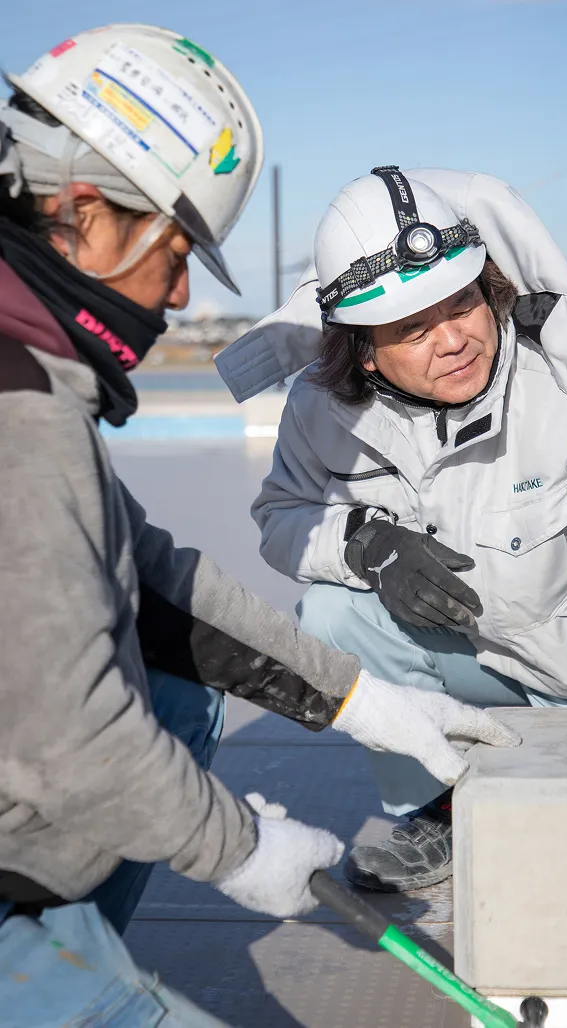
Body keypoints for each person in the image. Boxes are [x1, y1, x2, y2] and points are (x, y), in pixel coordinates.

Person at [0, 36, 514, 1025]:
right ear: (79, 215)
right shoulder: (20, 420)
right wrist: (236, 844)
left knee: (177, 699)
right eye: (177, 252)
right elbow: (66, 741)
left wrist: (361, 699)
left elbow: (150, 584)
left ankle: (62, 931)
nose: (183, 293)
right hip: (33, 765)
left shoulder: (31, 381)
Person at [238, 166, 567, 894]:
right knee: (329, 612)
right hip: (486, 659)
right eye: (413, 327)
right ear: (362, 349)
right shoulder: (321, 409)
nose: (454, 339)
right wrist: (366, 545)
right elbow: (282, 517)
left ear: (489, 290)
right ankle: (440, 806)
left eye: (462, 304)